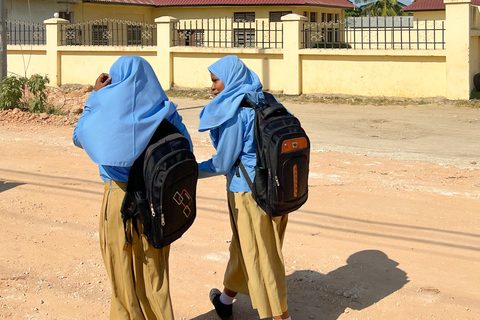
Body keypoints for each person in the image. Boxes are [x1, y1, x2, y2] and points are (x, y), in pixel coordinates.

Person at [72, 56, 192, 320]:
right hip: (158, 202)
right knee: (155, 278)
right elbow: (186, 151)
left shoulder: (106, 115)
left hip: (118, 201)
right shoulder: (168, 114)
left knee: (123, 276)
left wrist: (94, 97)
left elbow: (79, 137)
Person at [197, 55, 291, 320]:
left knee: (263, 256)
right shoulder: (267, 100)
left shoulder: (237, 111)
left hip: (248, 193)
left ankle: (280, 316)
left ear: (231, 79)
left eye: (216, 80)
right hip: (277, 190)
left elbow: (222, 163)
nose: (213, 87)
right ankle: (226, 300)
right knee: (245, 245)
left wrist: (190, 172)